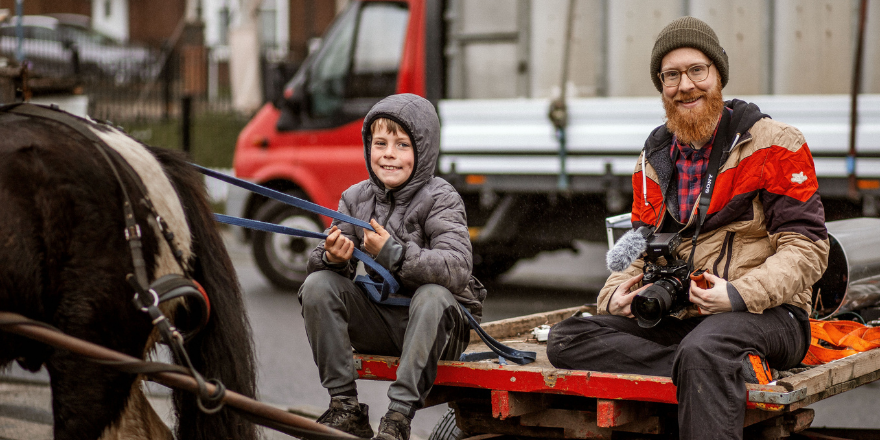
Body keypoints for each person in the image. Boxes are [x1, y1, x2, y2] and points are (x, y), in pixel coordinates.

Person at [546, 16, 829, 439]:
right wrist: (615, 296)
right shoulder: (653, 157)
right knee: (566, 338)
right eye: (671, 75)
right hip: (686, 315)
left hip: (770, 314)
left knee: (705, 348)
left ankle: (709, 361)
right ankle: (716, 368)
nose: (685, 85)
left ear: (719, 76)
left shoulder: (775, 142)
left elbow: (807, 249)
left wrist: (735, 294)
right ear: (661, 86)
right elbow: (640, 246)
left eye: (697, 70)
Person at [298, 93, 483, 440]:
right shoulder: (355, 198)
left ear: (423, 151)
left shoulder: (442, 197)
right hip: (385, 321)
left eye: (401, 145)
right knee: (318, 284)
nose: (388, 154)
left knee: (432, 295)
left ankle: (398, 418)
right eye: (380, 143)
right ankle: (345, 408)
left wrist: (394, 254)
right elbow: (318, 258)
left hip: (439, 328)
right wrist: (332, 258)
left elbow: (457, 268)